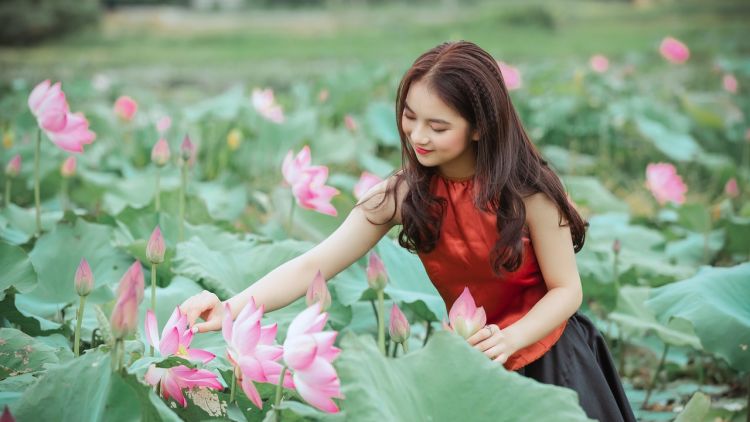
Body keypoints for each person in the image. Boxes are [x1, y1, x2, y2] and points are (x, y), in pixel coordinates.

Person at [179, 40, 637, 422]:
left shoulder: (529, 192)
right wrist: (230, 307)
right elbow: (315, 263)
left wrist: (512, 338)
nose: (418, 135)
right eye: (410, 116)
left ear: (480, 127)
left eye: (438, 126)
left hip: (551, 353)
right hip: (469, 358)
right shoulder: (404, 195)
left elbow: (567, 290)